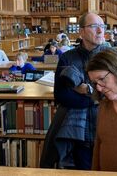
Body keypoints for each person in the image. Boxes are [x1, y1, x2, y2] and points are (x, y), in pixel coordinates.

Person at [41, 12, 112, 169]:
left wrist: (86, 91)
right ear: (81, 32)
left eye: (102, 26)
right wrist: (96, 97)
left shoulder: (112, 56)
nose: (100, 31)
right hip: (79, 132)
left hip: (107, 126)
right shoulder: (67, 58)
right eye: (94, 26)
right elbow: (60, 95)